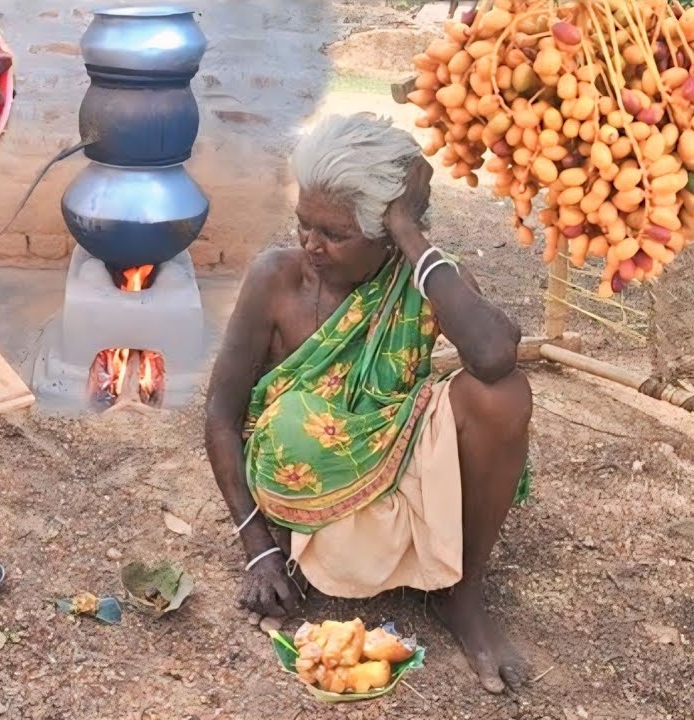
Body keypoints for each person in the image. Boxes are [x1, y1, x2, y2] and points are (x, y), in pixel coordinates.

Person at [205, 114, 533, 694]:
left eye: (334, 233)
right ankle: (306, 556)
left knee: (501, 398)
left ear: (385, 234)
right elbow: (221, 418)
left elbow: (493, 357)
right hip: (302, 515)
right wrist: (257, 548)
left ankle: (461, 593)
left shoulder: (420, 279)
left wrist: (409, 233)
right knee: (294, 426)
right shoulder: (277, 280)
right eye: (304, 224)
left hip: (392, 472)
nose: (311, 244)